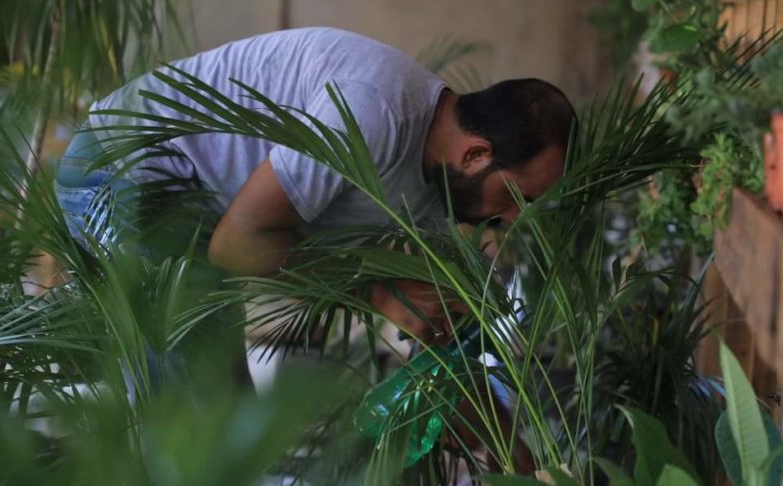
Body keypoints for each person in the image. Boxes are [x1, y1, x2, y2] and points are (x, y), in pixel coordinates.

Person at [55, 27, 574, 351]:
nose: (511, 219)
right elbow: (238, 244)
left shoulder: (441, 190)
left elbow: (441, 330)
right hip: (122, 167)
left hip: (196, 205)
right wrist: (375, 292)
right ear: (477, 155)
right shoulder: (374, 110)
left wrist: (516, 458)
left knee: (221, 423)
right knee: (192, 423)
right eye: (515, 197)